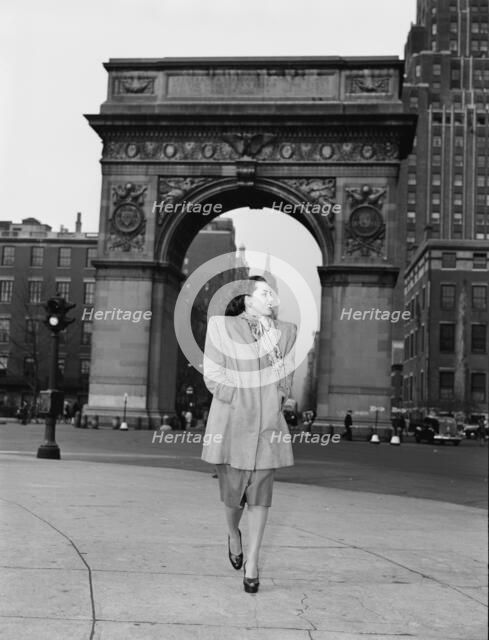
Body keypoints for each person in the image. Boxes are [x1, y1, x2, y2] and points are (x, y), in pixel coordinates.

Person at [201, 275, 297, 594]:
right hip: (232, 424)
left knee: (260, 497)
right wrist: (243, 398)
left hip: (268, 425)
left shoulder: (284, 333)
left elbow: (286, 378)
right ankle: (232, 533)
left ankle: (253, 563)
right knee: (233, 498)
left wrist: (273, 401)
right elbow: (213, 376)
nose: (271, 299)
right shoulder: (221, 327)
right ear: (246, 299)